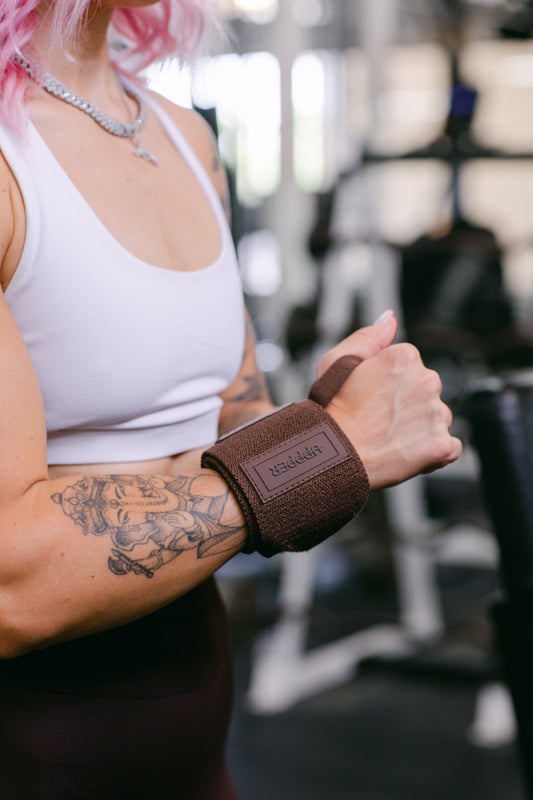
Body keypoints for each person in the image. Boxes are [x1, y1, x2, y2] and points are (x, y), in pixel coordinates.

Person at [0, 0, 462, 797]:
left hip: (194, 697)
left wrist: (326, 420)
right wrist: (326, 451)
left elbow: (233, 414)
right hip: (34, 735)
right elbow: (13, 580)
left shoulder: (184, 135)